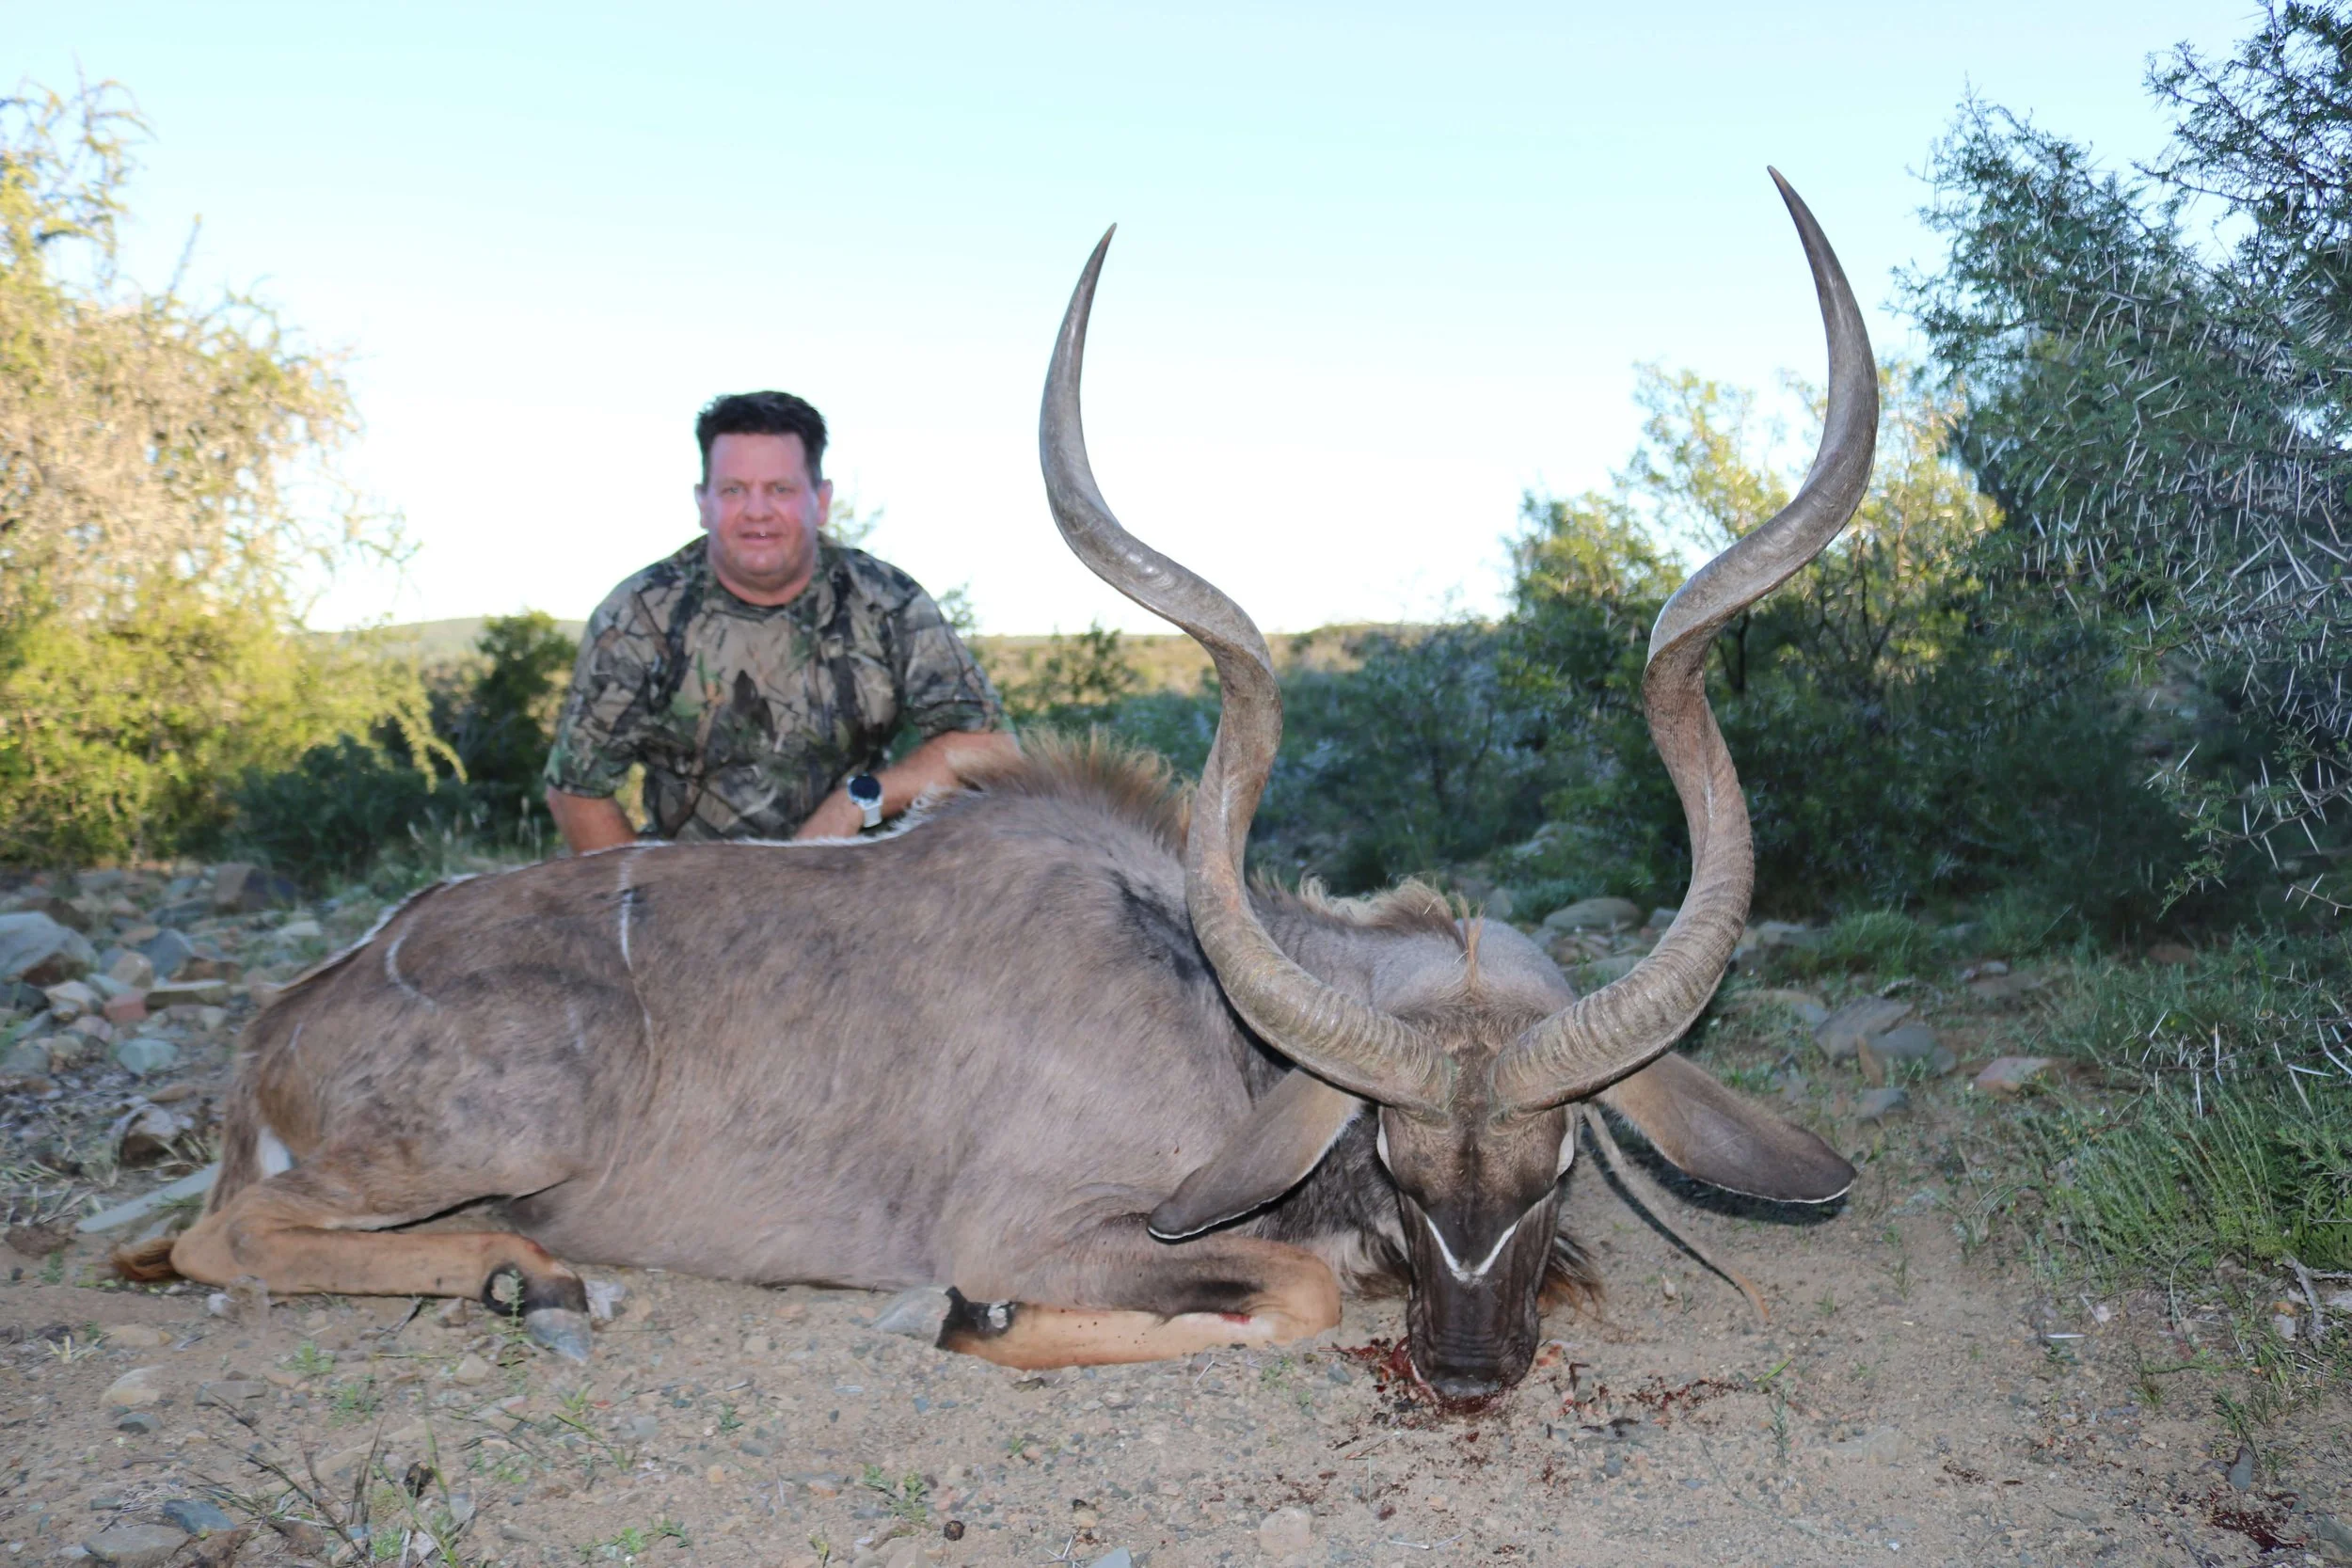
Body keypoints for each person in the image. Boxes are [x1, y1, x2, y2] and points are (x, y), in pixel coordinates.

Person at [542, 390, 1016, 852]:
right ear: (703, 503)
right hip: (691, 899)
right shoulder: (639, 614)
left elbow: (994, 748)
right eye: (733, 490)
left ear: (821, 500)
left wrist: (854, 802)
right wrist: (645, 907)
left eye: (780, 489)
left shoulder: (886, 601)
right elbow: (576, 791)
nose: (757, 511)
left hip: (853, 882)